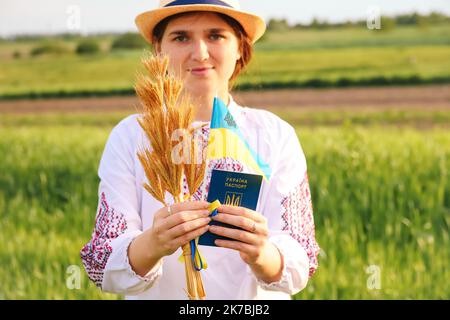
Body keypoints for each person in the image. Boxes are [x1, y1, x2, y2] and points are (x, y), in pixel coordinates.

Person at [80, 0, 320, 300]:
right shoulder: (131, 136)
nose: (200, 52)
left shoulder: (275, 135)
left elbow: (302, 259)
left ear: (240, 49)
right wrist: (154, 242)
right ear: (158, 50)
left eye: (216, 35)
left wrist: (262, 253)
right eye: (181, 37)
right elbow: (102, 262)